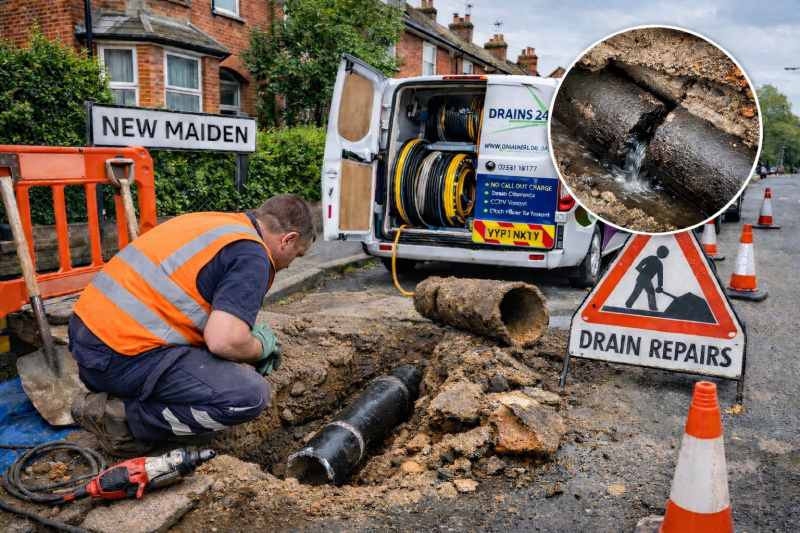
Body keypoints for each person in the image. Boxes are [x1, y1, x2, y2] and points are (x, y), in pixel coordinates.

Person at [68, 194, 315, 456]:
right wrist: (259, 347)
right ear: (288, 239)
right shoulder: (253, 254)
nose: (290, 265)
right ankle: (124, 419)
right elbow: (223, 341)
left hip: (86, 347)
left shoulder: (213, 222)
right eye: (297, 255)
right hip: (118, 362)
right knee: (249, 396)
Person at [625, 246, 669, 311]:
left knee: (637, 292)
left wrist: (660, 286)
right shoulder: (654, 260)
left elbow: (660, 275)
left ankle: (628, 304)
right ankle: (652, 307)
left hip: (643, 278)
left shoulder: (658, 263)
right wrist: (645, 274)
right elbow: (638, 267)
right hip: (644, 278)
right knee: (650, 292)